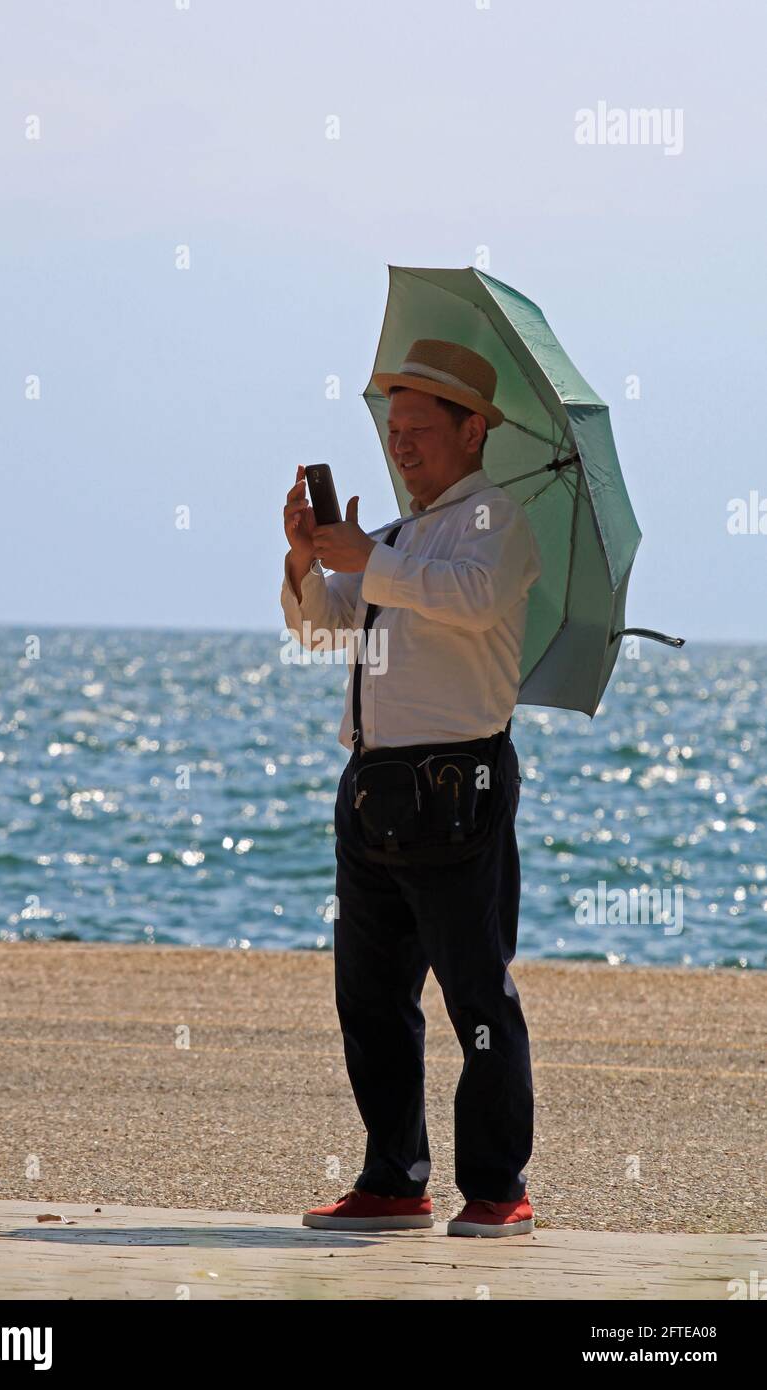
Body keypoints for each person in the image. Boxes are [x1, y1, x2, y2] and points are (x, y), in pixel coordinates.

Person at [280, 339, 542, 1237]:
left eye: (419, 430)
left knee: (478, 998)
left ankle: (498, 1190)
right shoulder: (394, 536)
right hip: (374, 791)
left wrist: (370, 558)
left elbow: (470, 598)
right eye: (393, 430)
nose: (400, 446)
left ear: (473, 430)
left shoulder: (496, 521)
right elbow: (326, 633)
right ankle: (395, 1180)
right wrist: (309, 563)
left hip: (458, 787)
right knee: (370, 999)